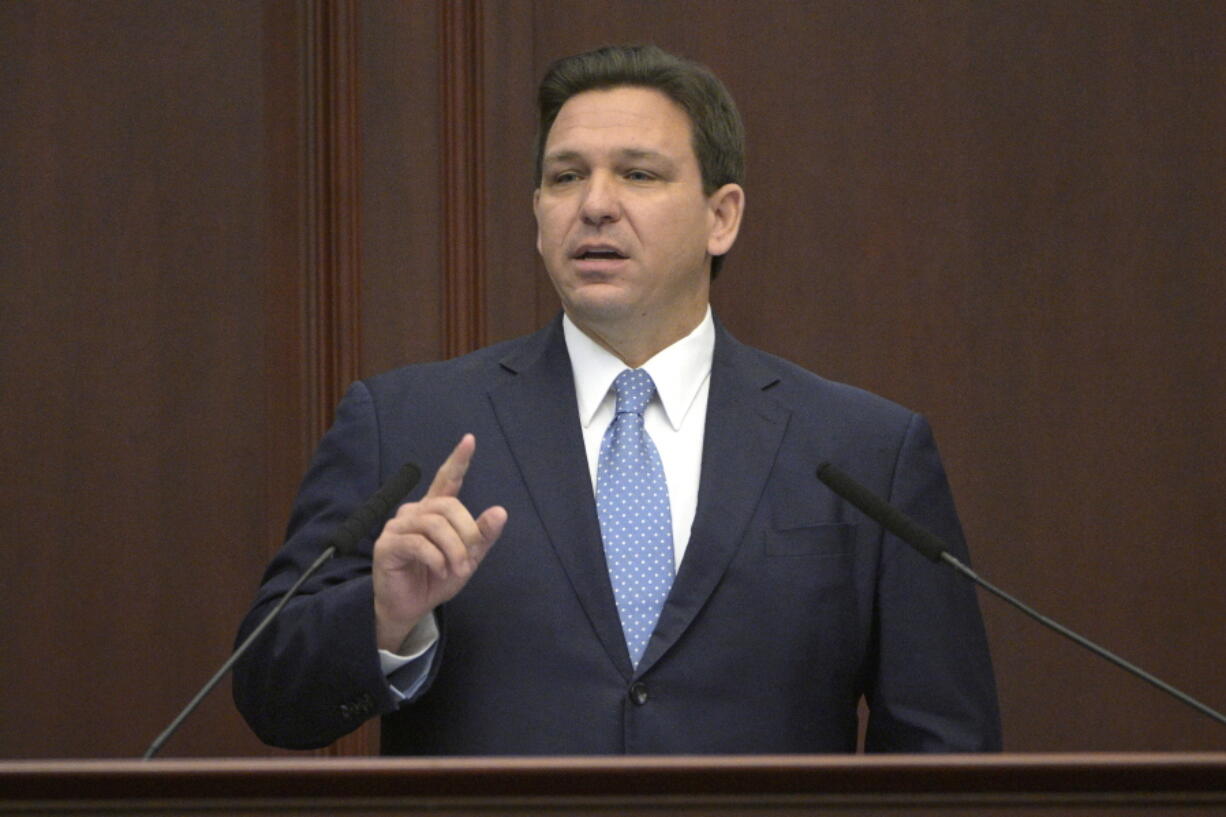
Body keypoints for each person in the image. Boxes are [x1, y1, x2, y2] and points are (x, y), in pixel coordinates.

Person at [233, 44, 1001, 754]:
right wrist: (383, 615)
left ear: (721, 215)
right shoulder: (405, 424)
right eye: (566, 177)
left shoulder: (863, 450)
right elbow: (269, 690)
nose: (594, 204)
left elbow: (945, 750)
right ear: (538, 216)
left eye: (638, 173)